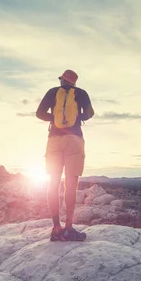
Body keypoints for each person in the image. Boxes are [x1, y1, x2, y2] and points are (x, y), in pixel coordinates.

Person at [36, 69, 94, 241]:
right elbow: (90, 113)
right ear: (74, 82)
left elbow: (39, 113)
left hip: (54, 138)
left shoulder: (52, 92)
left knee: (53, 183)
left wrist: (54, 119)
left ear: (62, 80)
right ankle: (69, 227)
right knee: (71, 184)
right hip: (74, 139)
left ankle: (56, 227)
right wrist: (77, 118)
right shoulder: (81, 93)